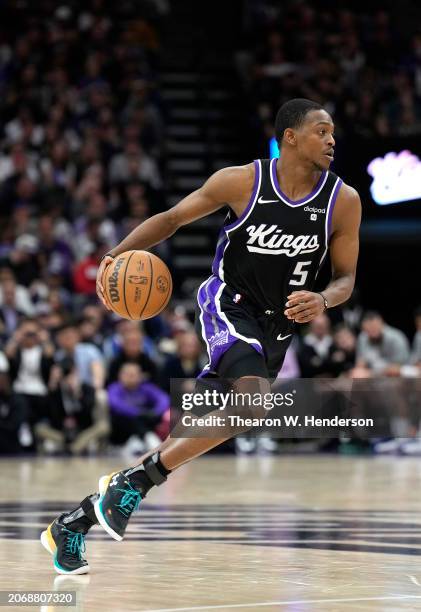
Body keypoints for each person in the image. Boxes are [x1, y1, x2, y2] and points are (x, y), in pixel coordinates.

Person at [41, 98, 361, 574]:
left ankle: (75, 523)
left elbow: (345, 278)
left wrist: (325, 299)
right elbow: (171, 221)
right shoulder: (242, 181)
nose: (331, 139)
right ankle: (129, 486)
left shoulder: (343, 200)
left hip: (278, 327)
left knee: (204, 430)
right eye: (321, 130)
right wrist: (114, 256)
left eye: (333, 131)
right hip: (228, 305)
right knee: (251, 406)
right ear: (290, 137)